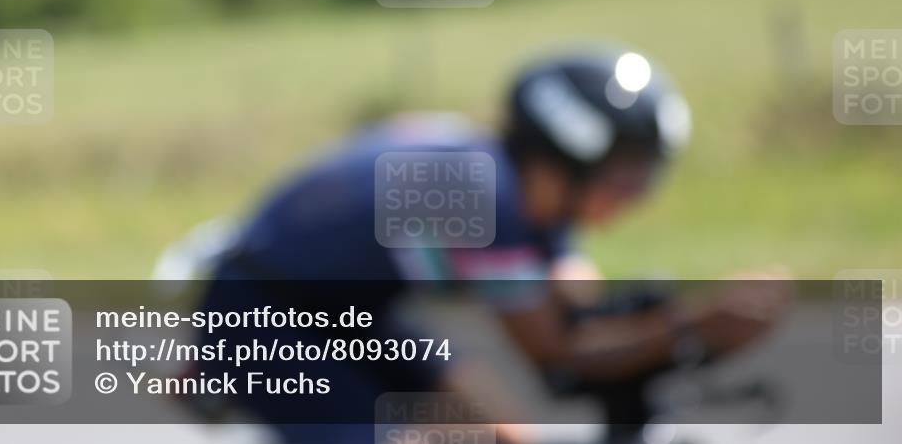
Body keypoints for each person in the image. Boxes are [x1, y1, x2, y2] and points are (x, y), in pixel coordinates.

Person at [165, 44, 788, 444]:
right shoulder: (476, 198)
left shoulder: (523, 184)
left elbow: (575, 299)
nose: (641, 196)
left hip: (339, 307)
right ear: (565, 162)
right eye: (629, 177)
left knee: (507, 435)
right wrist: (695, 326)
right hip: (261, 315)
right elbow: (560, 356)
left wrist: (653, 323)